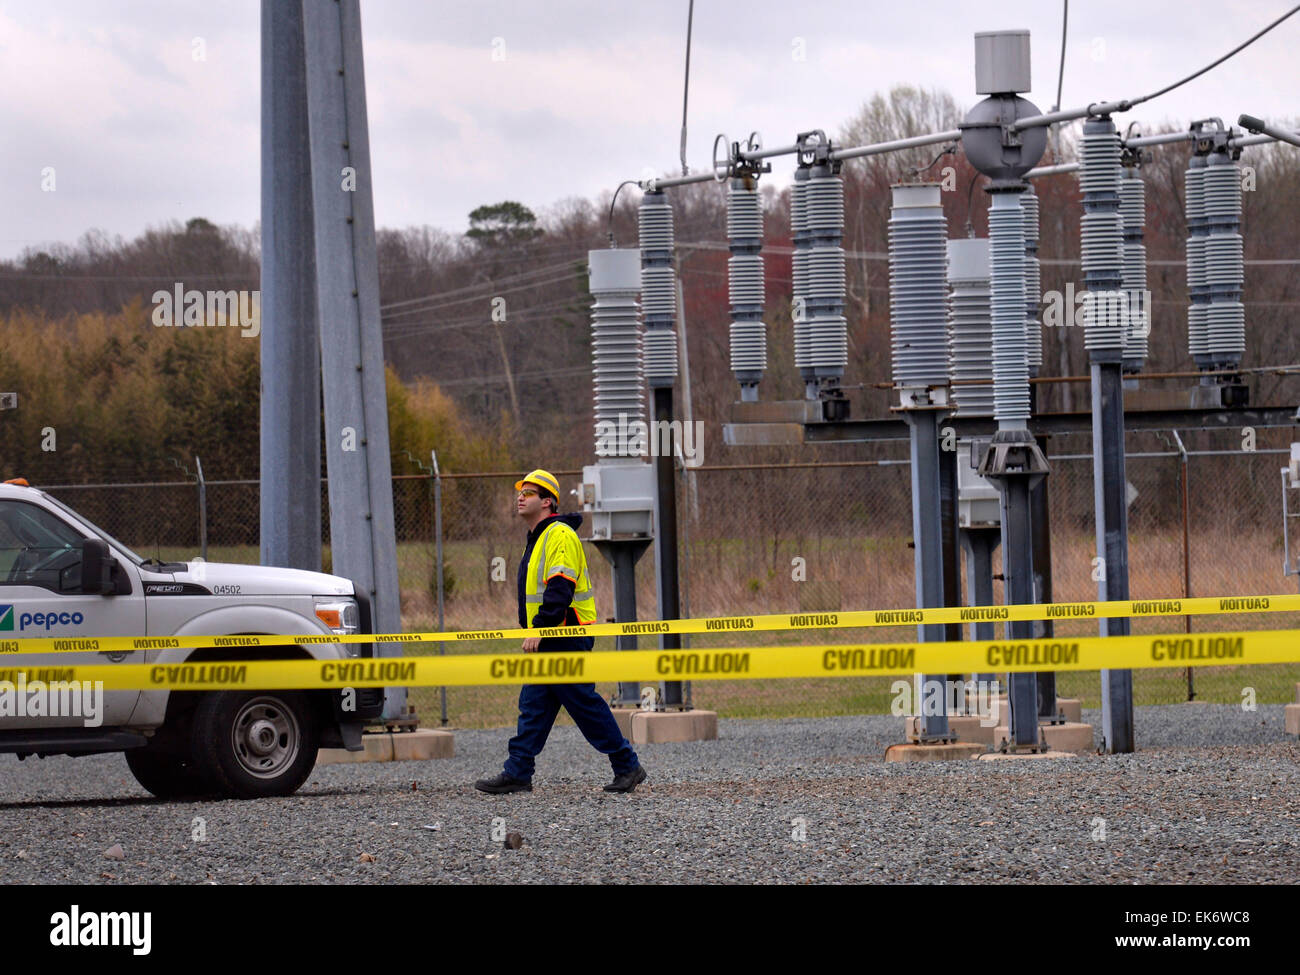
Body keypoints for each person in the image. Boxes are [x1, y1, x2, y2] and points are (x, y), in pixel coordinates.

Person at [475, 469, 647, 795]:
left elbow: (560, 587)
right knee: (534, 706)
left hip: (563, 636)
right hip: (551, 637)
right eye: (520, 492)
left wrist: (541, 630)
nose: (520, 497)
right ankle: (518, 771)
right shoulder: (540, 538)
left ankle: (627, 765)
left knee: (583, 704)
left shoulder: (559, 535)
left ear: (548, 502)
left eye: (529, 492)